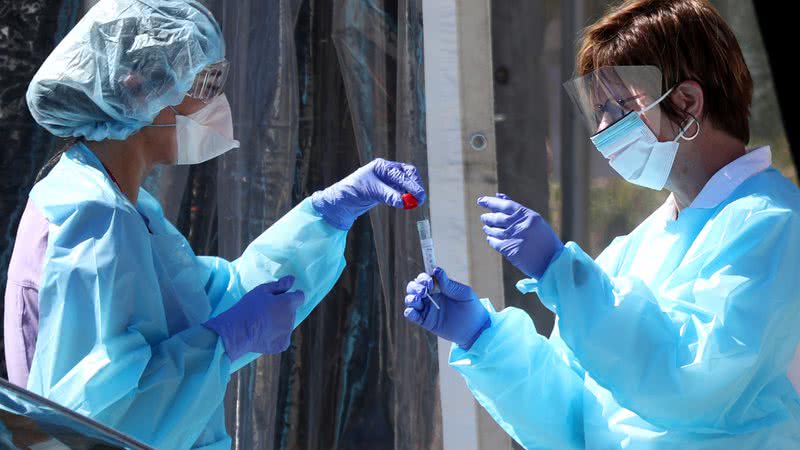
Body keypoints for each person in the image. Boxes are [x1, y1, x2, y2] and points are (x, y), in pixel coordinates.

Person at [3, 1, 425, 449]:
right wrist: (223, 342)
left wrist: (327, 215)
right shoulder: (93, 218)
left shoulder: (128, 211)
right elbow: (96, 420)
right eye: (204, 83)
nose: (214, 104)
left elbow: (217, 301)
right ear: (138, 86)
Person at [404, 0, 800, 448]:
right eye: (599, 111)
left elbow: (689, 382)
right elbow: (572, 421)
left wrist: (560, 271)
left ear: (687, 102)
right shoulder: (637, 247)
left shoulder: (772, 222)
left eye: (620, 106)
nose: (605, 128)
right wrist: (482, 337)